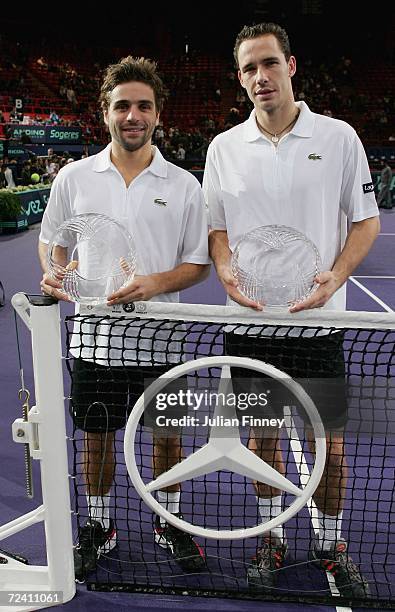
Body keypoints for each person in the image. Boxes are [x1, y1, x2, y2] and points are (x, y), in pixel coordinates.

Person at [204, 22, 379, 597]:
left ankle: (329, 546)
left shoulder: (339, 138)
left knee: (329, 443)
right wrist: (226, 271)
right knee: (262, 441)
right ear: (240, 79)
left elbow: (365, 221)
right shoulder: (222, 148)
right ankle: (271, 540)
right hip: (251, 326)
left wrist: (337, 276)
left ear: (292, 66)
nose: (261, 77)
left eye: (269, 64)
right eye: (249, 69)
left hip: (321, 323)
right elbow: (218, 232)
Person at [38, 56, 210, 580]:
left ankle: (169, 521)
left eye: (143, 106)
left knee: (167, 438)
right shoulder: (73, 178)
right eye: (122, 106)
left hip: (163, 342)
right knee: (97, 438)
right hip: (95, 342)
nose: (132, 115)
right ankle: (99, 524)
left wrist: (156, 283)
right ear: (105, 113)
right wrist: (55, 274)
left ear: (158, 114)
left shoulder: (184, 185)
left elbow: (198, 263)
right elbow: (53, 243)